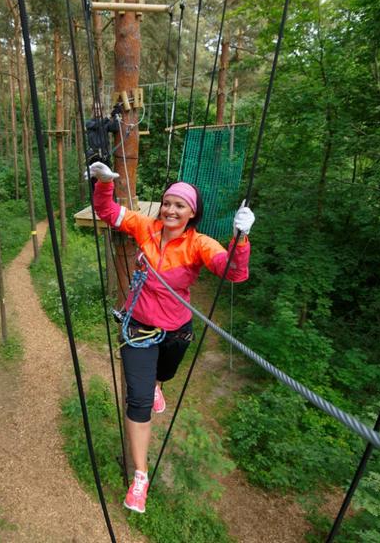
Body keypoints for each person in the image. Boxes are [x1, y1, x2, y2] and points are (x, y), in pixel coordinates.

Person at [89, 161, 254, 513]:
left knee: (163, 375)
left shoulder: (198, 245)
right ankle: (140, 477)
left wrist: (241, 240)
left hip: (176, 332)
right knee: (139, 402)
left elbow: (234, 274)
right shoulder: (144, 227)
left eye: (180, 205)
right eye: (167, 203)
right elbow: (107, 211)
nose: (170, 209)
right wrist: (104, 183)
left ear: (192, 214)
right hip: (138, 330)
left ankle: (159, 383)